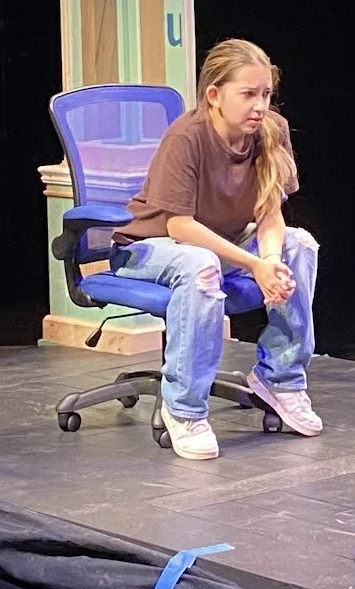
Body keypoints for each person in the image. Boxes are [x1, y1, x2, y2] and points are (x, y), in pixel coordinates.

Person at [112, 38, 320, 460]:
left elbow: (270, 214)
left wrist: (270, 261)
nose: (260, 106)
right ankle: (184, 408)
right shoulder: (186, 138)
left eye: (266, 94)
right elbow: (180, 226)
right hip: (148, 248)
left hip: (219, 245)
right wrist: (253, 264)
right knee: (201, 263)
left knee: (299, 244)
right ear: (214, 95)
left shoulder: (272, 131)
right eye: (248, 94)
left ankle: (281, 378)